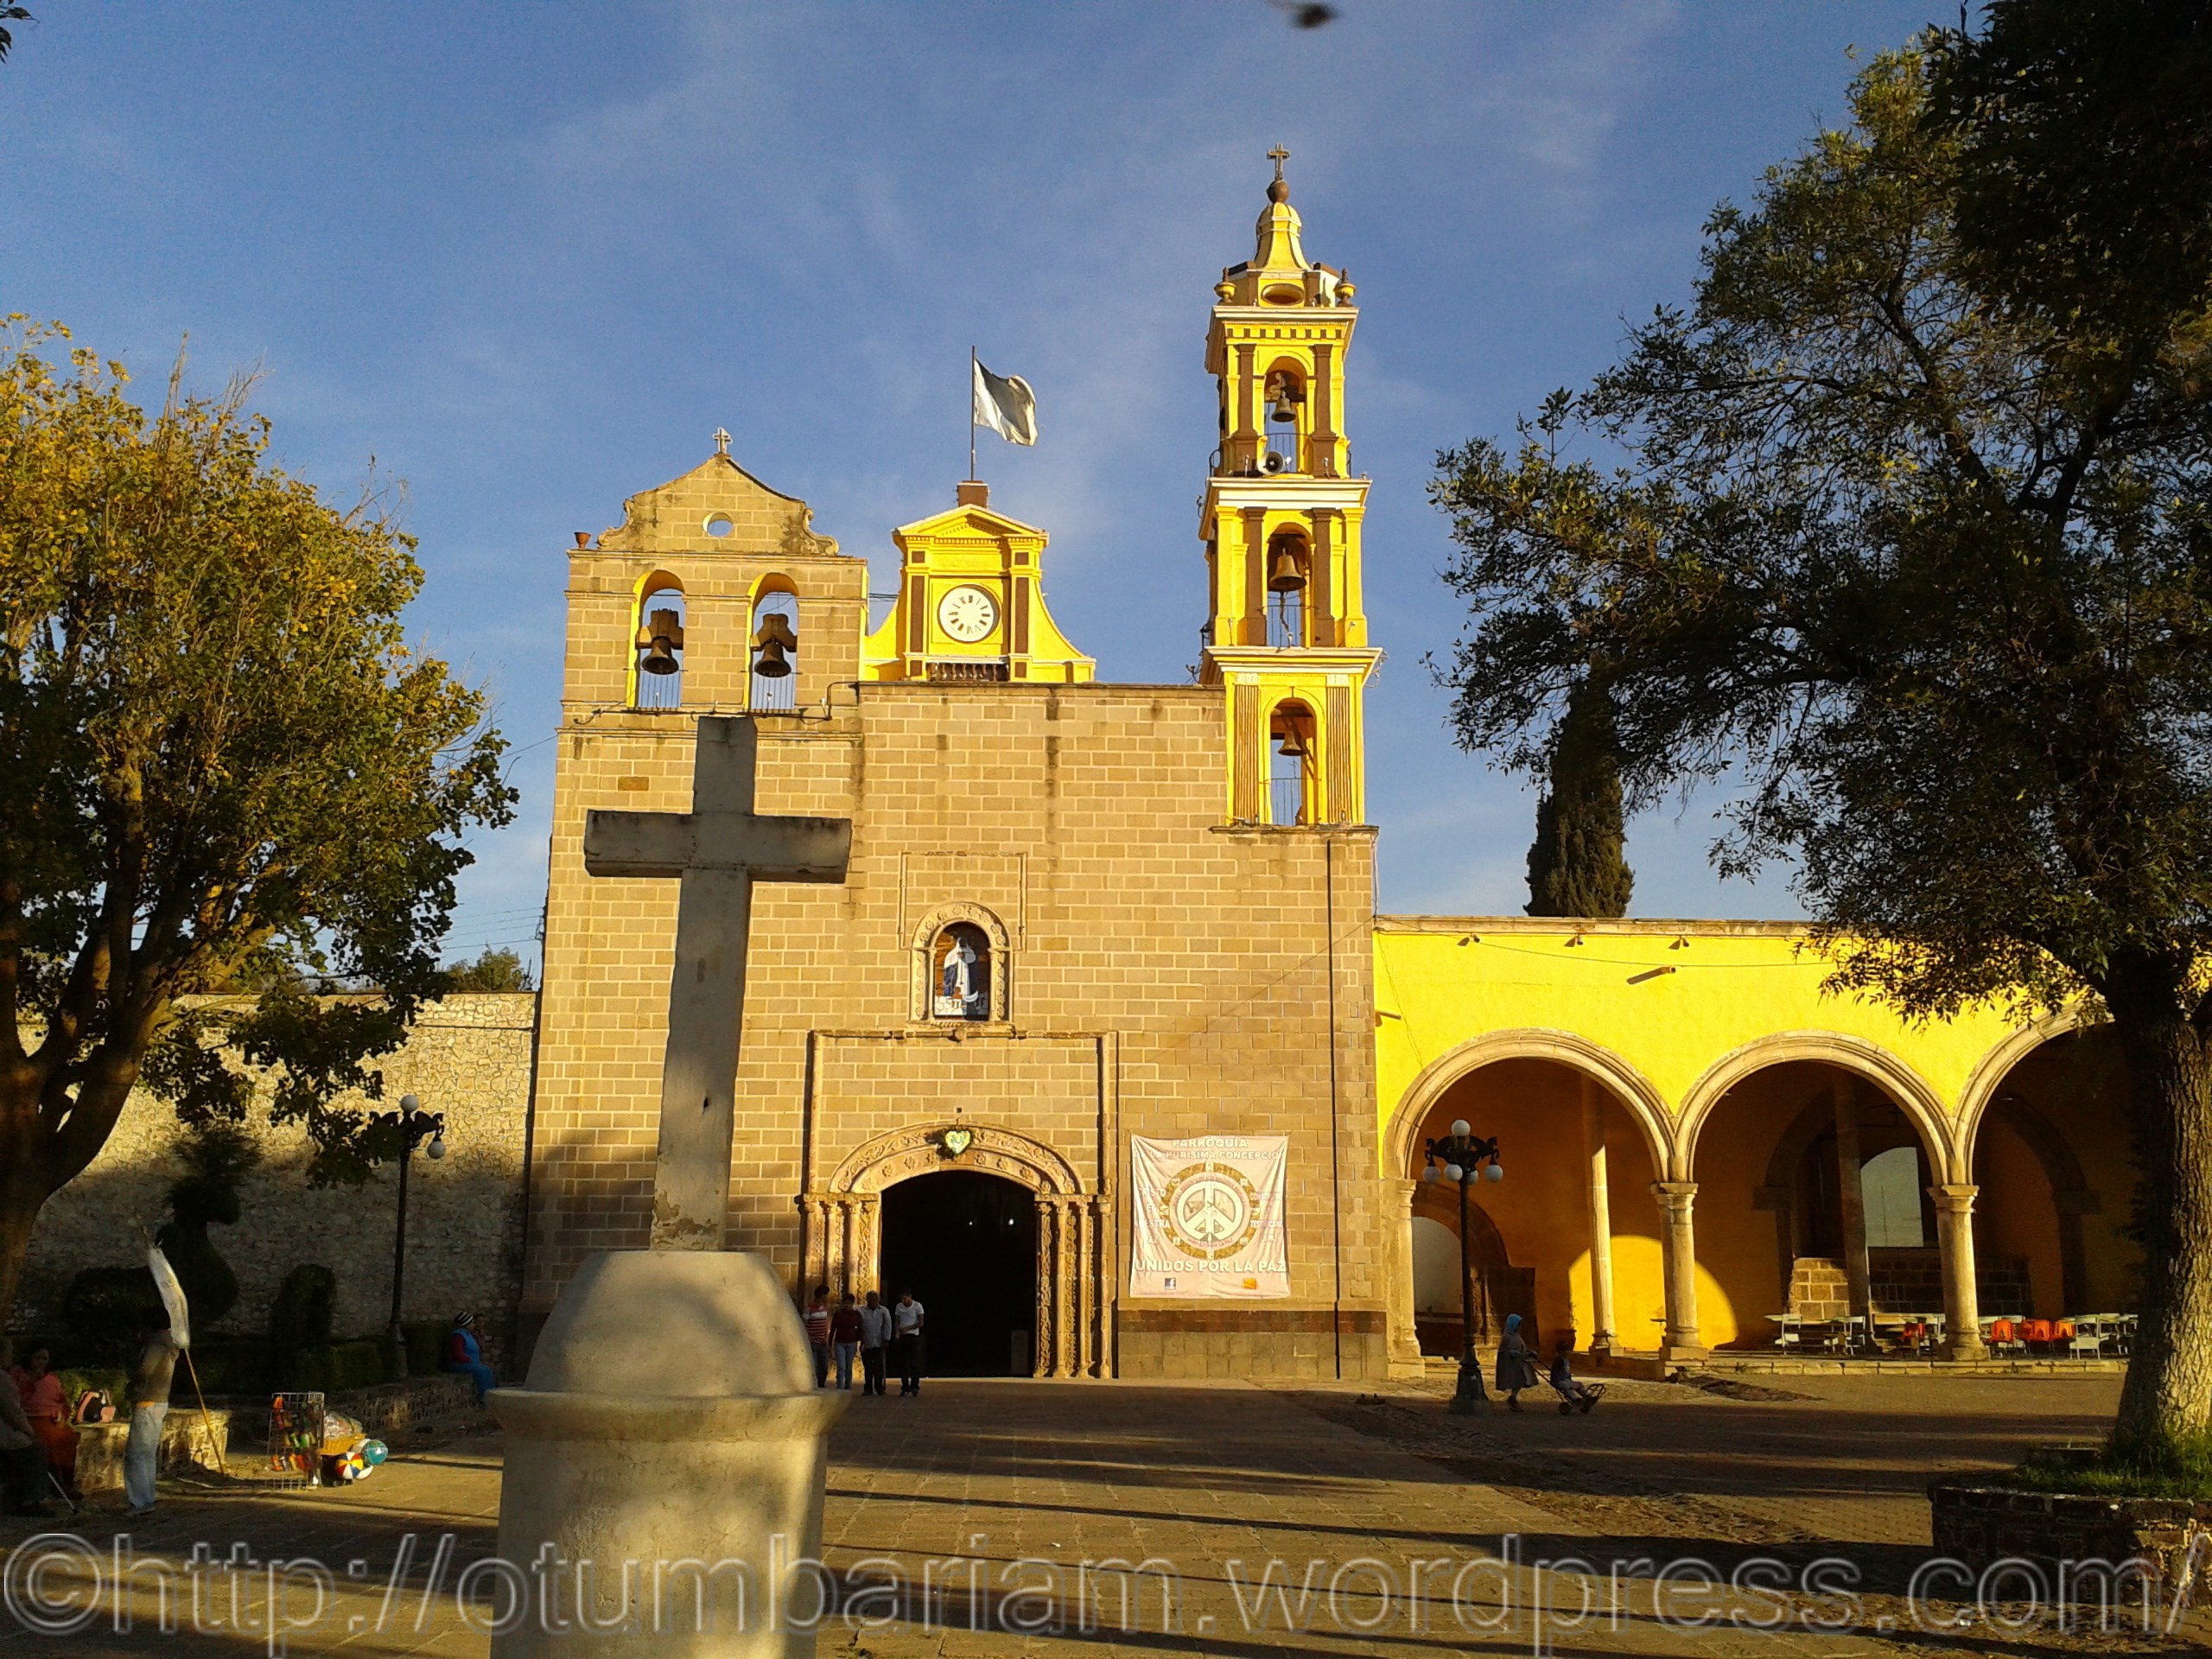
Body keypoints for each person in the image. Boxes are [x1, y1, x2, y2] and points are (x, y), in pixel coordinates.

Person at [124, 1317, 179, 1516]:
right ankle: (147, 1497)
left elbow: (145, 1370)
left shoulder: (156, 1343)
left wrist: (133, 1379)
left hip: (147, 1399)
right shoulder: (170, 1342)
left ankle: (139, 1501)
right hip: (159, 1399)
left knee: (137, 1453)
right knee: (147, 1453)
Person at [8, 1344, 77, 1492]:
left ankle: (67, 1484)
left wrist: (62, 1415)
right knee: (49, 1439)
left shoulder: (52, 1380)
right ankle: (55, 1485)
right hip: (30, 1418)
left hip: (52, 1419)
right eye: (37, 1358)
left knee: (68, 1437)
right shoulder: (17, 1375)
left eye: (44, 1359)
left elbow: (63, 1402)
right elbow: (14, 1400)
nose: (41, 1362)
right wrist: (31, 1382)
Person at [0, 1339, 53, 1516]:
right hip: (6, 1430)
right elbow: (13, 1412)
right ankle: (30, 1500)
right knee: (36, 1450)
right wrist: (30, 1433)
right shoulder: (4, 1378)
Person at [442, 1312, 497, 1404]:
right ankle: (483, 1397)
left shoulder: (469, 1335)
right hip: (458, 1364)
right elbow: (458, 1355)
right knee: (482, 1371)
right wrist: (468, 1360)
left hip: (471, 1362)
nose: (474, 1324)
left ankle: (491, 1394)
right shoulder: (458, 1336)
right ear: (466, 1324)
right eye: (472, 1322)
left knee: (488, 1370)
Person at [1548, 1335, 1605, 1414]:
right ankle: (1576, 1399)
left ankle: (1588, 1397)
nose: (1568, 1352)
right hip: (1559, 1381)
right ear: (1560, 1352)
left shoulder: (1566, 1360)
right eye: (1566, 1351)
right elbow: (1555, 1374)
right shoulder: (1558, 1361)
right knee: (1566, 1387)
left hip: (1566, 1380)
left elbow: (1567, 1373)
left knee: (1579, 1385)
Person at [1494, 1313, 1537, 1413]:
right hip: (1510, 1364)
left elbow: (1521, 1348)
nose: (1520, 1327)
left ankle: (1513, 1397)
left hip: (1518, 1363)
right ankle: (1513, 1399)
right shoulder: (1507, 1337)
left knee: (1521, 1380)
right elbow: (1505, 1351)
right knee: (1517, 1380)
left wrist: (1528, 1352)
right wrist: (1515, 1353)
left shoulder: (1518, 1336)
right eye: (1518, 1325)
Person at [857, 1290, 893, 1396]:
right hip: (866, 1342)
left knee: (878, 1367)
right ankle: (868, 1388)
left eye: (874, 1300)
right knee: (868, 1367)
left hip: (879, 1342)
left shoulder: (883, 1311)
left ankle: (879, 1388)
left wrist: (887, 1339)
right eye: (870, 1300)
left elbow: (888, 1325)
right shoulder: (862, 1311)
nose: (872, 1302)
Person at [892, 1287, 926, 1396]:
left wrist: (908, 1328)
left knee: (914, 1363)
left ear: (910, 1297)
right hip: (902, 1337)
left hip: (913, 1337)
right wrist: (897, 1333)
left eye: (905, 1298)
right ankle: (905, 1387)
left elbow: (921, 1323)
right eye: (902, 1299)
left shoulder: (917, 1306)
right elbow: (897, 1321)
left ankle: (915, 1386)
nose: (904, 1301)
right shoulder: (899, 1307)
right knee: (903, 1364)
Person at [830, 1294, 862, 1391]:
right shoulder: (839, 1314)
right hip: (840, 1342)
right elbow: (833, 1329)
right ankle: (840, 1386)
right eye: (846, 1303)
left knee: (849, 1365)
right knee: (841, 1365)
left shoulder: (856, 1315)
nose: (847, 1305)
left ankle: (848, 1386)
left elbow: (860, 1329)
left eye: (849, 1303)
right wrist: (830, 1343)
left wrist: (860, 1342)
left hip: (851, 1342)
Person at [803, 1287, 833, 1389]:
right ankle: (814, 1384)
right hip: (813, 1341)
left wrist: (827, 1337)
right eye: (825, 1295)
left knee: (824, 1366)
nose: (827, 1297)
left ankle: (821, 1384)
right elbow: (804, 1323)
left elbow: (826, 1323)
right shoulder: (809, 1308)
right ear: (821, 1296)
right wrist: (808, 1337)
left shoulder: (824, 1307)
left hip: (822, 1341)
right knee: (814, 1365)